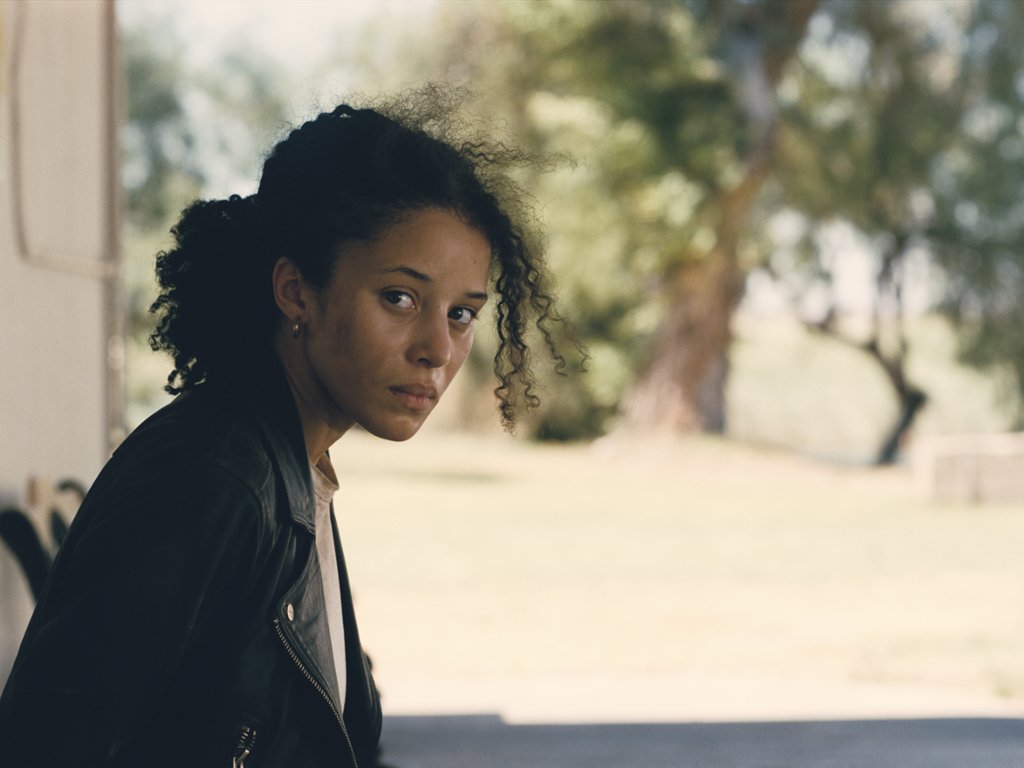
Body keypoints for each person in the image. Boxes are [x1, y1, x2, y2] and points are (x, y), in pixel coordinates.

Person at [0, 88, 569, 768]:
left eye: (462, 313)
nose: (438, 349)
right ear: (297, 292)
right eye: (399, 298)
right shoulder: (212, 479)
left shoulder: (296, 469)